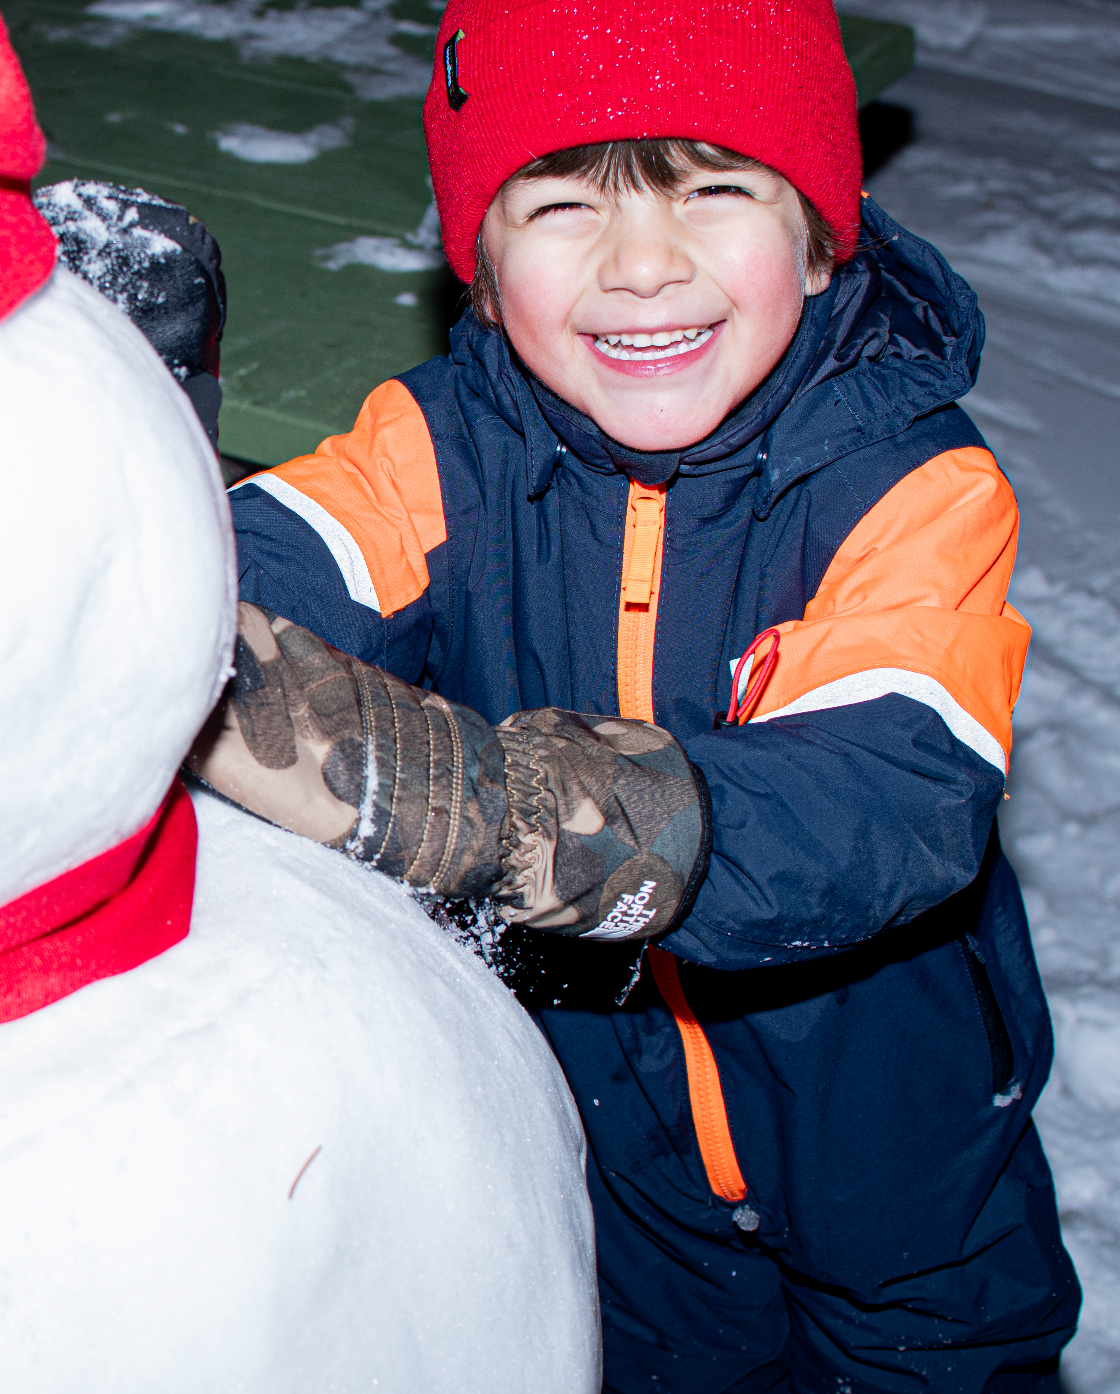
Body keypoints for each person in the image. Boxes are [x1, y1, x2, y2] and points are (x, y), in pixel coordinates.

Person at [188, 0, 1083, 1387]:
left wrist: (511, 810)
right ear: (478, 264)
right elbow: (265, 558)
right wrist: (134, 583)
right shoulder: (444, 447)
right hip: (612, 1144)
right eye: (559, 206)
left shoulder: (913, 487)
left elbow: (891, 787)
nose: (644, 266)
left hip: (900, 1147)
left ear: (819, 228)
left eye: (715, 189)